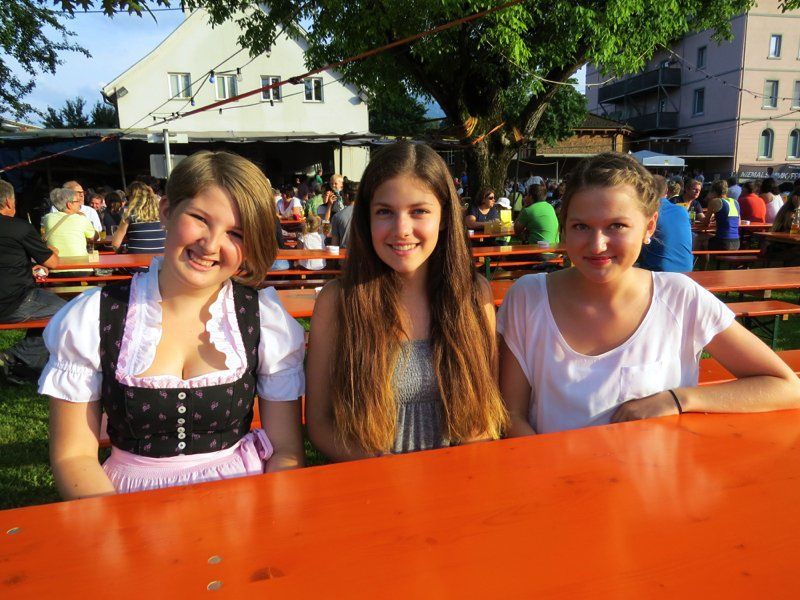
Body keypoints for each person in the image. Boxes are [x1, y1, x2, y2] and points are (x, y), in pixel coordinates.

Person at [41, 150, 306, 499]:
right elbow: (74, 455)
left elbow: (286, 450)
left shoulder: (264, 321)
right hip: (125, 504)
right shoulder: (95, 316)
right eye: (199, 218)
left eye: (236, 234)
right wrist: (115, 531)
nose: (211, 245)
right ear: (167, 211)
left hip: (242, 502)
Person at [497, 152, 800, 435]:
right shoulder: (527, 298)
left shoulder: (679, 297)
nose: (597, 244)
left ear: (649, 226)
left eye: (616, 225)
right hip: (555, 483)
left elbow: (787, 387)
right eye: (581, 226)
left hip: (654, 484)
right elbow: (512, 415)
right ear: (565, 227)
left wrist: (678, 399)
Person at [305, 141, 508, 459]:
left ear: (443, 217)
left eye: (419, 212)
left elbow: (484, 415)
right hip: (370, 487)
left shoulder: (474, 295)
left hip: (457, 484)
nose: (401, 229)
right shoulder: (338, 301)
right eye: (385, 212)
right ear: (366, 218)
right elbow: (319, 424)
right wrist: (387, 476)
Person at [0, 180, 66, 385]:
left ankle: (25, 366)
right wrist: (51, 251)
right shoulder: (19, 228)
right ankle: (13, 356)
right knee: (66, 313)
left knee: (45, 311)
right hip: (15, 301)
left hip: (12, 296)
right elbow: (52, 263)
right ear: (9, 202)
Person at [638, 175, 693, 273]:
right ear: (667, 191)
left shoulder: (647, 212)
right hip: (687, 268)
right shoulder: (682, 211)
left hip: (658, 270)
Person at [41, 187, 97, 278]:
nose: (80, 204)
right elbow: (94, 237)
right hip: (82, 270)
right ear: (69, 205)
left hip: (55, 270)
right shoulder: (81, 219)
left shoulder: (47, 218)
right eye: (77, 201)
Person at [111, 182, 166, 254]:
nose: (127, 201)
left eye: (127, 197)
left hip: (136, 263)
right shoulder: (162, 215)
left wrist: (121, 251)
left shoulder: (129, 215)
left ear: (133, 198)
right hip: (160, 262)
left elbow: (115, 244)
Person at [701, 179, 740, 250]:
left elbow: (705, 223)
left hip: (723, 242)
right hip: (736, 242)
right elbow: (738, 223)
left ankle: (703, 261)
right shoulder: (735, 202)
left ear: (714, 191)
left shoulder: (715, 201)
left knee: (699, 239)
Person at [330, 182, 356, 248]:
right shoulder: (370, 214)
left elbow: (334, 245)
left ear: (347, 196)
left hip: (345, 256)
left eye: (342, 194)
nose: (341, 197)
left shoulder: (337, 216)